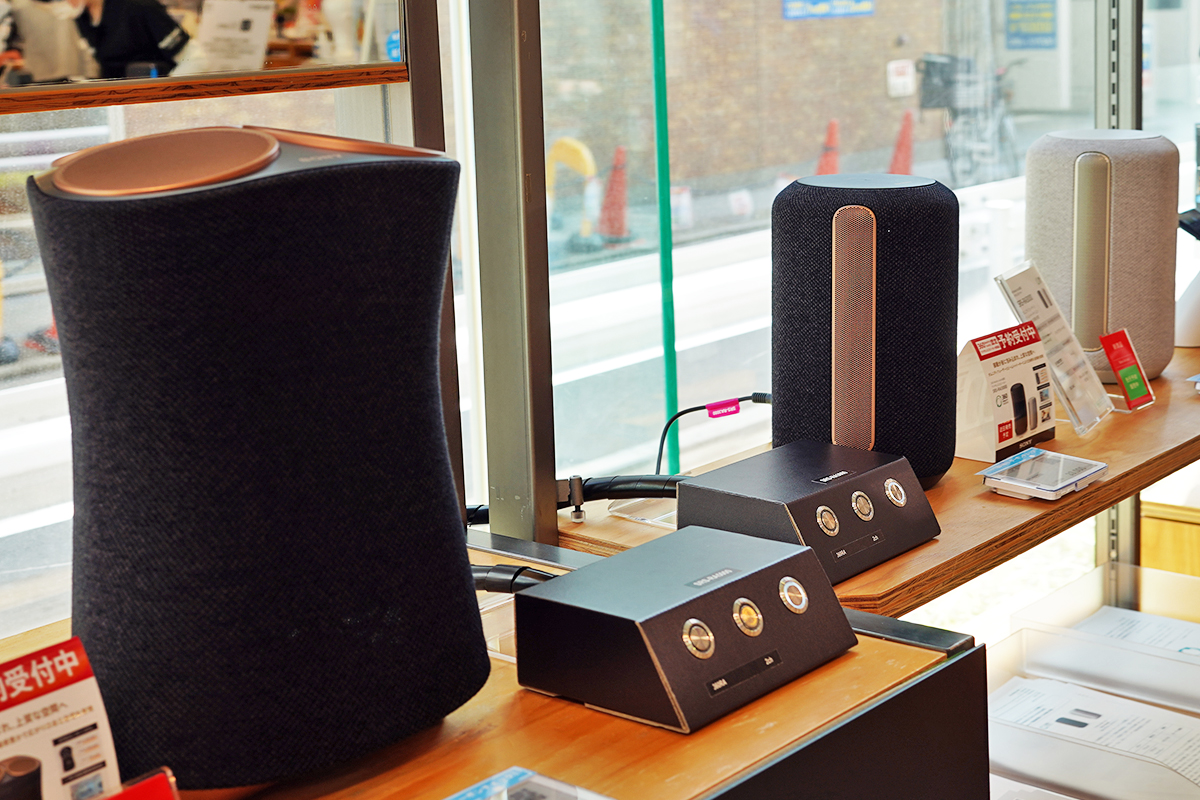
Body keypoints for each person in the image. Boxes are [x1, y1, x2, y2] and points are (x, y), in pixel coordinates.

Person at [39, 0, 187, 78]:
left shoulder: (138, 6)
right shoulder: (83, 17)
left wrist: (168, 95)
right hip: (119, 101)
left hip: (153, 94)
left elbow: (192, 58)